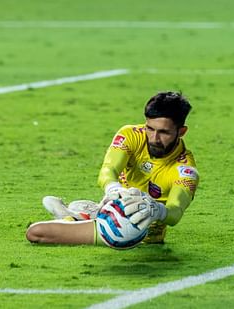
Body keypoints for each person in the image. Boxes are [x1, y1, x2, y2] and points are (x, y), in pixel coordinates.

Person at [26, 91, 199, 246]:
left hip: (132, 230)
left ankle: (74, 217)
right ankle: (91, 214)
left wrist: (158, 211)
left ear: (181, 131)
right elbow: (108, 170)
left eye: (164, 132)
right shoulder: (131, 135)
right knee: (45, 227)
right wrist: (113, 188)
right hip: (114, 207)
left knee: (36, 232)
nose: (154, 138)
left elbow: (176, 211)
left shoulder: (185, 169)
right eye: (150, 128)